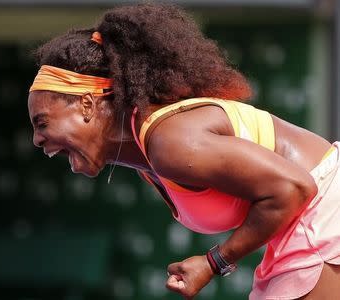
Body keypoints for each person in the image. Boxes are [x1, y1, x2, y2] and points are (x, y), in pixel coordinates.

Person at [27, 4, 340, 299]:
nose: (37, 140)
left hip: (321, 214)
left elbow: (292, 188)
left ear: (86, 105)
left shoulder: (169, 142)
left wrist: (213, 262)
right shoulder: (148, 154)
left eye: (41, 123)